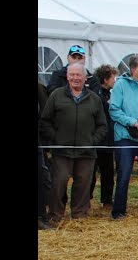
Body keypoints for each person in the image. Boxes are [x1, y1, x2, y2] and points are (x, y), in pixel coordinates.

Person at [39, 61, 107, 224]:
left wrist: (92, 141)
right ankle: (55, 214)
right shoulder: (56, 95)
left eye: (78, 75)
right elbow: (45, 121)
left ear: (85, 78)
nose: (75, 78)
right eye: (72, 75)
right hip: (62, 150)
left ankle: (79, 215)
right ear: (67, 77)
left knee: (83, 183)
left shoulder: (94, 98)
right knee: (58, 182)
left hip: (86, 151)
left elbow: (102, 125)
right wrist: (56, 138)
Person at [109, 54, 138, 219]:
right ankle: (119, 211)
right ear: (134, 69)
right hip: (124, 137)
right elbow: (114, 110)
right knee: (124, 174)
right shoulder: (120, 85)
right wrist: (132, 122)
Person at [90, 64, 119, 209]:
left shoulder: (110, 93)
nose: (115, 80)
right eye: (113, 77)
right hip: (96, 139)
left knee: (108, 171)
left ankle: (107, 200)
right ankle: (87, 200)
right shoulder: (95, 94)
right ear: (106, 78)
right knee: (91, 173)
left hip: (108, 140)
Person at [38, 80, 55, 229]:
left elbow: (44, 117)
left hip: (39, 143)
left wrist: (47, 143)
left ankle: (41, 216)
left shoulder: (40, 89)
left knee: (42, 178)